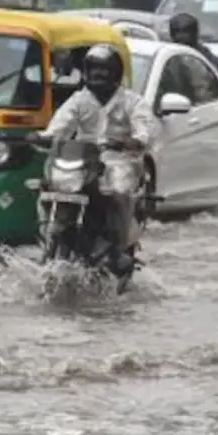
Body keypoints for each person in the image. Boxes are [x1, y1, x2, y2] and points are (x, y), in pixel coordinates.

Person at [37, 44, 158, 272]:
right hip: (84, 161)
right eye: (93, 69)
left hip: (121, 160)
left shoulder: (133, 102)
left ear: (116, 73)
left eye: (104, 70)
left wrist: (130, 142)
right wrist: (42, 137)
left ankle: (119, 247)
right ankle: (50, 236)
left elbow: (144, 132)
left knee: (120, 191)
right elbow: (60, 127)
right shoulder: (79, 100)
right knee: (48, 185)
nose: (97, 75)